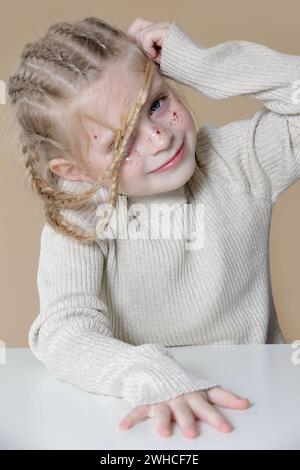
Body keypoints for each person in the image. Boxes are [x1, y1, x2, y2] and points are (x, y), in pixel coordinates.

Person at [7, 15, 300, 439]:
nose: (159, 137)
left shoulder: (241, 161)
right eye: (121, 141)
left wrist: (200, 64)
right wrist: (146, 374)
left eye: (157, 103)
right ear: (75, 170)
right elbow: (64, 332)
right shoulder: (83, 214)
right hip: (143, 418)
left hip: (262, 407)